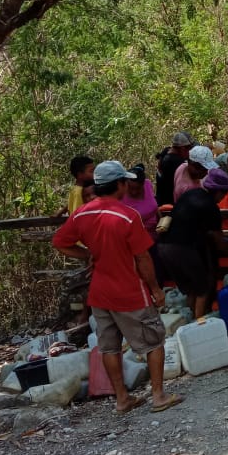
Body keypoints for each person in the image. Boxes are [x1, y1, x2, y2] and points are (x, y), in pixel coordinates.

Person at [52, 161, 181, 414]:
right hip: (130, 290)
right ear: (119, 184)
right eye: (125, 181)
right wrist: (155, 289)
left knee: (109, 347)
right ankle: (158, 395)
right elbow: (143, 258)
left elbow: (60, 242)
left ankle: (122, 399)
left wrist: (85, 254)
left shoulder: (82, 213)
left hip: (99, 293)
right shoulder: (127, 215)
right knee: (154, 341)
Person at [155, 168, 228, 318]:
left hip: (164, 247)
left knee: (191, 288)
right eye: (224, 194)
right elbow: (218, 240)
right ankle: (199, 325)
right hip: (182, 249)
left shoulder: (190, 194)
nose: (223, 197)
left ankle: (190, 320)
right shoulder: (211, 207)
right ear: (218, 191)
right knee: (203, 288)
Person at [155, 132, 194, 206]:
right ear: (182, 148)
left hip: (161, 201)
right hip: (170, 204)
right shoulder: (177, 163)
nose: (189, 152)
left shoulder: (165, 154)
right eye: (189, 148)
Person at [120, 163, 159, 237]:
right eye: (130, 188)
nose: (134, 192)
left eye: (138, 188)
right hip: (137, 238)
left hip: (156, 233)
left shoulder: (148, 184)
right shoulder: (121, 194)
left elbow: (155, 206)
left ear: (143, 184)